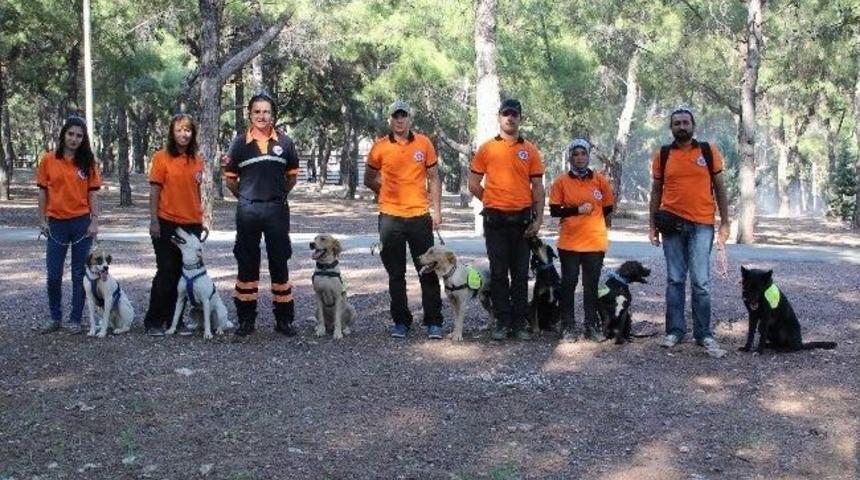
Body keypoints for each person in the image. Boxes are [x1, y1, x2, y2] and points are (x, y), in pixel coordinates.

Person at [648, 107, 730, 357]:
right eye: (677, 123)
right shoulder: (662, 155)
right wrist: (651, 225)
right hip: (671, 223)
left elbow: (719, 187)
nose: (681, 127)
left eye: (685, 122)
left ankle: (703, 333)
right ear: (671, 128)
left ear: (693, 126)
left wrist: (725, 222)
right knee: (675, 279)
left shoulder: (708, 151)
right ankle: (674, 330)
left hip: (702, 224)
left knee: (701, 282)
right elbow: (656, 192)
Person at [364, 100, 444, 339]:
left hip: (419, 216)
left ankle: (433, 321)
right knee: (395, 274)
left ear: (410, 119)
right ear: (390, 119)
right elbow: (369, 178)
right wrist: (385, 192)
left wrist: (437, 211)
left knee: (427, 270)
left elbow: (434, 178)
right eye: (395, 116)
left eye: (404, 116)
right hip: (390, 218)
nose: (400, 120)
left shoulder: (424, 143)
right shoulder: (379, 147)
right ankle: (401, 321)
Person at [222, 93, 300, 337]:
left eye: (266, 111)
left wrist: (276, 196)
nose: (261, 116)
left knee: (279, 262)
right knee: (246, 263)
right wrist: (247, 198)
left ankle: (284, 320)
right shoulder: (238, 144)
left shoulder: (285, 143)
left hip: (276, 210)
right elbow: (231, 180)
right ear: (250, 114)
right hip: (248, 211)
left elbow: (292, 177)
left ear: (272, 115)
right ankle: (246, 321)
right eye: (257, 111)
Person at [468, 98, 545, 341]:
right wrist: (491, 200)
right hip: (495, 223)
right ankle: (502, 321)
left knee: (521, 275)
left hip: (522, 223)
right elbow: (473, 183)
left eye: (514, 114)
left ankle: (520, 323)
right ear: (499, 117)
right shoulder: (487, 148)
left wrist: (538, 220)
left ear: (520, 118)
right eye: (506, 114)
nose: (510, 118)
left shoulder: (530, 150)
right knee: (499, 273)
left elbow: (538, 187)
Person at [36, 115, 101, 334]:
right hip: (56, 223)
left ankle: (75, 319)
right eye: (71, 134)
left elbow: (93, 195)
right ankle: (55, 317)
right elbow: (42, 191)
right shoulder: (48, 160)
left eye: (79, 136)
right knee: (53, 273)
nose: (74, 139)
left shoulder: (88, 163)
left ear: (84, 139)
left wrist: (95, 221)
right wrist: (42, 219)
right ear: (63, 134)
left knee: (78, 273)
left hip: (82, 222)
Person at [143, 114, 205, 337]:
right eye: (179, 130)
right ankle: (154, 321)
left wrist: (201, 218)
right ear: (172, 132)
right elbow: (154, 192)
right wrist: (154, 220)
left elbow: (196, 191)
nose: (183, 134)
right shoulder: (161, 158)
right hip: (167, 222)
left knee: (183, 274)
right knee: (166, 272)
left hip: (192, 223)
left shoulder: (197, 159)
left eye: (187, 130)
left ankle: (174, 320)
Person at [549, 138, 615, 342]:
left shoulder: (599, 180)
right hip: (569, 243)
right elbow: (554, 210)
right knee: (568, 284)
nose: (579, 158)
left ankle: (591, 325)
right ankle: (568, 326)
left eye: (583, 154)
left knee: (591, 285)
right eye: (575, 154)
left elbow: (608, 207)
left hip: (594, 243)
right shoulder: (561, 181)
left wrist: (598, 225)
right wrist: (576, 210)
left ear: (588, 156)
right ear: (570, 157)